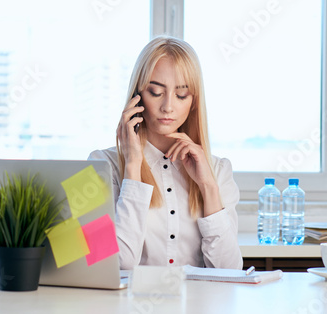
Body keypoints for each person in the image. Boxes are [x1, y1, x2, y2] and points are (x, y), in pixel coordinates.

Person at [89, 35, 243, 270]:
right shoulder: (99, 164)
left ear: (193, 101)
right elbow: (113, 264)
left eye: (181, 95)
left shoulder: (219, 170)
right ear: (136, 97)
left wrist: (208, 187)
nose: (168, 106)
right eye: (156, 92)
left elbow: (230, 271)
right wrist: (132, 166)